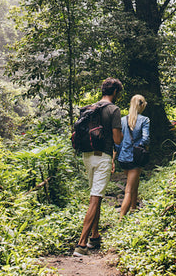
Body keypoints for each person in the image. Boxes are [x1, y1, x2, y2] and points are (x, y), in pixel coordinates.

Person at [73, 78, 123, 257]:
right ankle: (81, 244)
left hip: (87, 156)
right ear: (115, 92)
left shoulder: (90, 108)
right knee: (95, 198)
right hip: (103, 157)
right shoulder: (113, 110)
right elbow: (117, 140)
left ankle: (94, 237)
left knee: (97, 195)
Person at [115, 94, 150, 219]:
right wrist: (139, 147)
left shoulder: (123, 120)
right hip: (136, 158)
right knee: (128, 189)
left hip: (123, 158)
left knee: (135, 183)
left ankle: (134, 209)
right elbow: (145, 139)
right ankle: (121, 218)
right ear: (141, 105)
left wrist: (119, 154)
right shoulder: (144, 120)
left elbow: (117, 141)